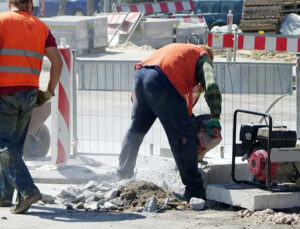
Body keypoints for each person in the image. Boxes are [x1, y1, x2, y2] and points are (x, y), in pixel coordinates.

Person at [117, 43, 222, 201]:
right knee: (182, 137)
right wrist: (215, 116)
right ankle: (194, 190)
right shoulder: (203, 57)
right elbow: (211, 85)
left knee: (136, 130)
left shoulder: (180, 53)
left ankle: (122, 178)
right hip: (164, 78)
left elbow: (182, 106)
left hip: (141, 75)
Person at [0, 0, 62, 214]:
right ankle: (4, 195)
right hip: (29, 94)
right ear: (29, 4)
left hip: (4, 92)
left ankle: (27, 191)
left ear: (10, 4)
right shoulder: (42, 27)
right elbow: (58, 61)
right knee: (14, 148)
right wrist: (49, 91)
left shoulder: (2, 20)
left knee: (2, 146)